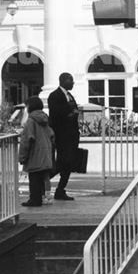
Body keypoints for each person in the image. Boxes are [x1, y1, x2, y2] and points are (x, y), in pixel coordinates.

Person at [47, 72, 81, 201]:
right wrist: (69, 113)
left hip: (71, 136)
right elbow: (56, 114)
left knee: (67, 164)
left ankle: (60, 190)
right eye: (70, 80)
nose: (73, 83)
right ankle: (41, 183)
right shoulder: (54, 95)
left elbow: (73, 111)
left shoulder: (70, 95)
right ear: (63, 80)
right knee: (62, 163)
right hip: (61, 136)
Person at [18, 96, 55, 207]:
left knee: (33, 179)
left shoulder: (30, 121)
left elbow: (26, 140)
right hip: (45, 154)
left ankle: (34, 199)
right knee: (42, 178)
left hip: (35, 155)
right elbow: (52, 135)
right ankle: (41, 197)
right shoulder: (45, 119)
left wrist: (22, 157)